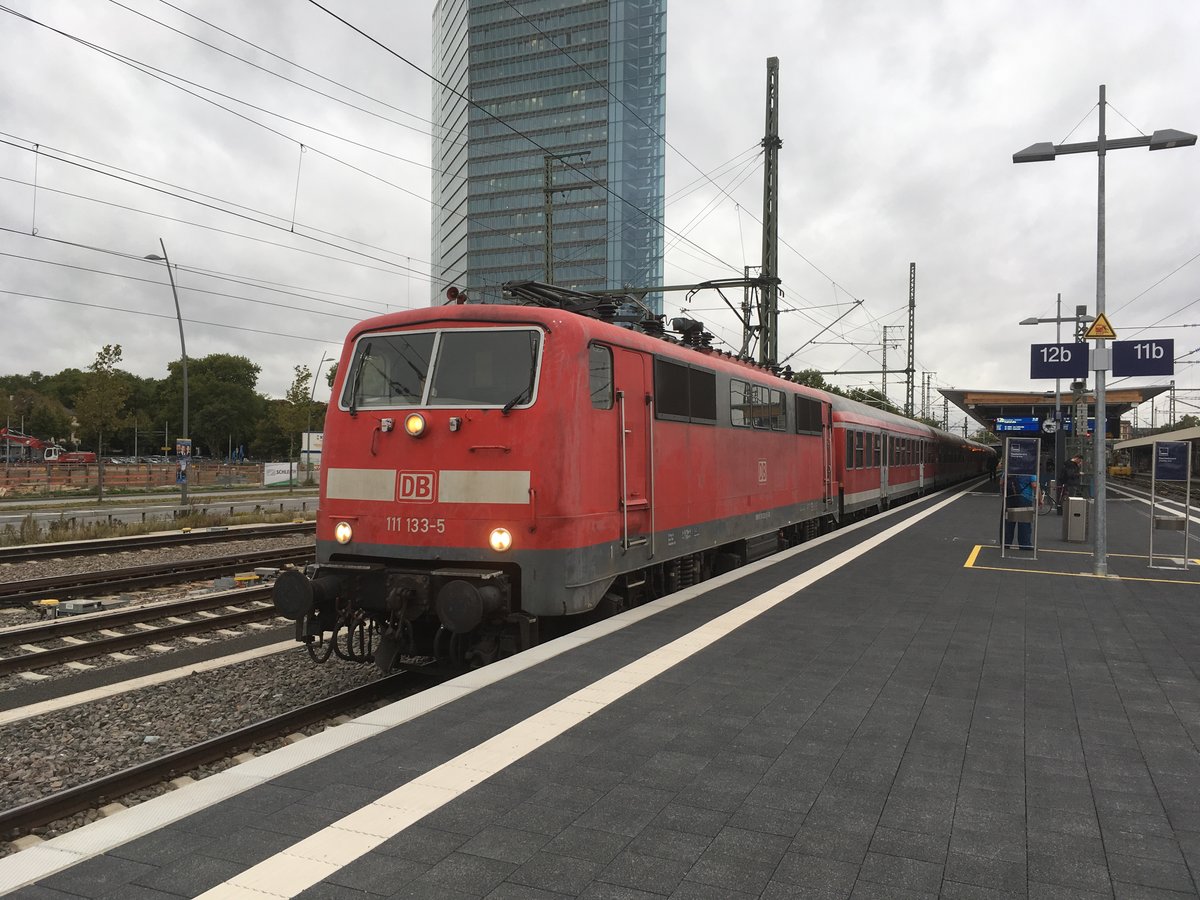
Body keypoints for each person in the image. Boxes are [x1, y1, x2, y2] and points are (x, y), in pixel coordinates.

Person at [1004, 472, 1036, 549]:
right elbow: (1034, 485)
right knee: (1024, 523)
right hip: (1025, 497)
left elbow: (1002, 483)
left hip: (1011, 497)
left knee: (1009, 522)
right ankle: (1024, 544)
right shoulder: (1030, 470)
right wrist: (1039, 499)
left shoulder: (1009, 469)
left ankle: (1006, 543)